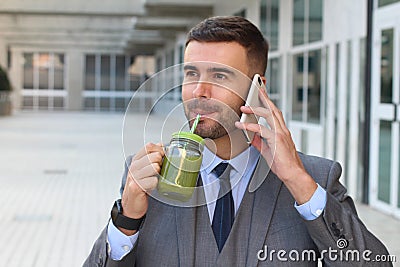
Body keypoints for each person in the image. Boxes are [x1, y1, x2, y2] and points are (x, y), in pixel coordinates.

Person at [84, 16, 392, 266]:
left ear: (256, 88)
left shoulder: (315, 178)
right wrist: (126, 220)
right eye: (191, 73)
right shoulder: (146, 175)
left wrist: (299, 181)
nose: (199, 91)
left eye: (220, 76)